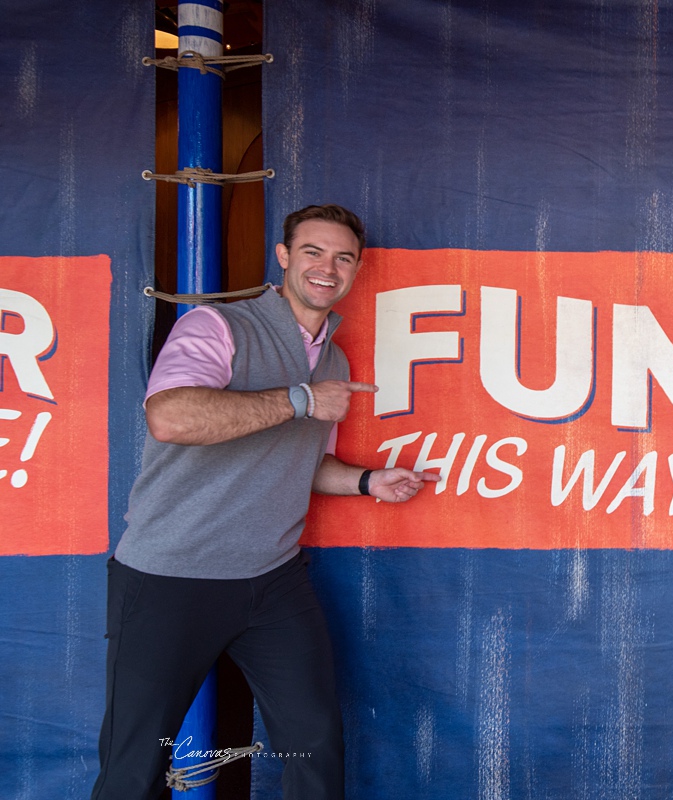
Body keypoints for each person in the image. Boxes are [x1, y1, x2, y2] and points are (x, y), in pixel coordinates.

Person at [91, 204, 440, 800]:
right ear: (283, 257)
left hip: (272, 580)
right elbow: (170, 416)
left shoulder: (333, 359)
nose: (327, 268)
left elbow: (300, 462)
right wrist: (302, 400)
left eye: (343, 257)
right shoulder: (218, 326)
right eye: (313, 252)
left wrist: (366, 481)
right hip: (170, 576)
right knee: (136, 761)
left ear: (357, 269)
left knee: (314, 746)